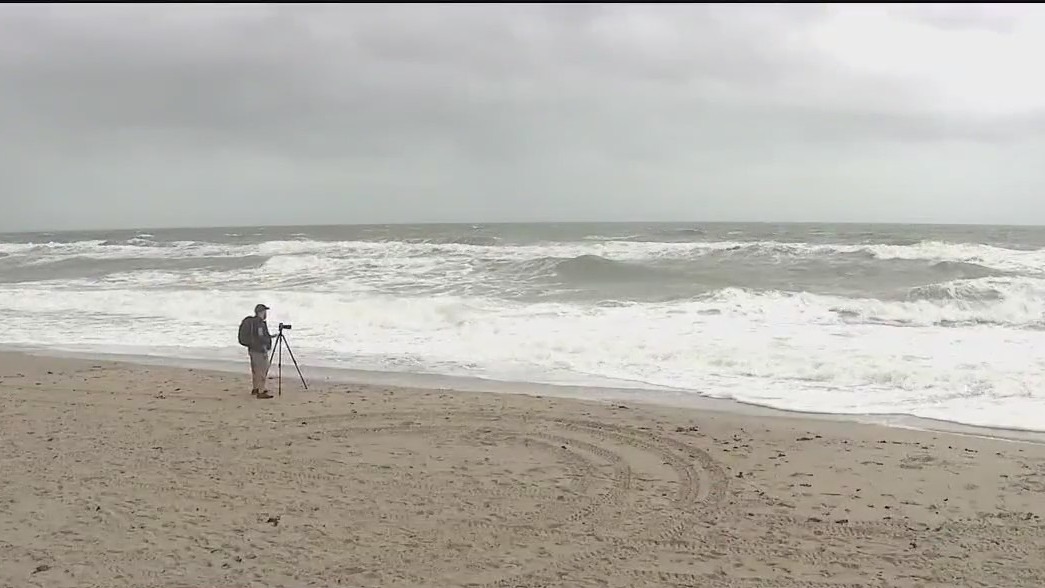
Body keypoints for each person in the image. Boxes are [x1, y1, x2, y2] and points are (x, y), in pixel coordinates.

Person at [243, 303, 275, 399]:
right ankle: (261, 391)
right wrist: (265, 346)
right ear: (261, 312)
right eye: (265, 311)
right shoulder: (259, 323)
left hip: (252, 348)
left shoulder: (253, 322)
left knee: (255, 370)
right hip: (259, 350)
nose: (266, 313)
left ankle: (255, 388)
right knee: (262, 370)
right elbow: (260, 337)